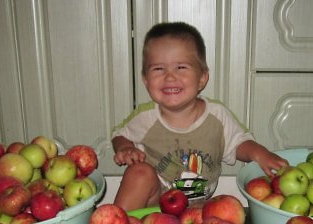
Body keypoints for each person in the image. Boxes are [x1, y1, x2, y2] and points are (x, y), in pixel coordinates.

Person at [111, 22, 288, 211]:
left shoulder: (216, 116)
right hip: (155, 201)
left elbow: (238, 142)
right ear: (146, 80)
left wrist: (260, 154)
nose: (170, 77)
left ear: (202, 78)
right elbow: (120, 135)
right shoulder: (145, 117)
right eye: (158, 69)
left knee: (225, 208)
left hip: (197, 205)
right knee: (139, 173)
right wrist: (125, 148)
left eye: (180, 67)